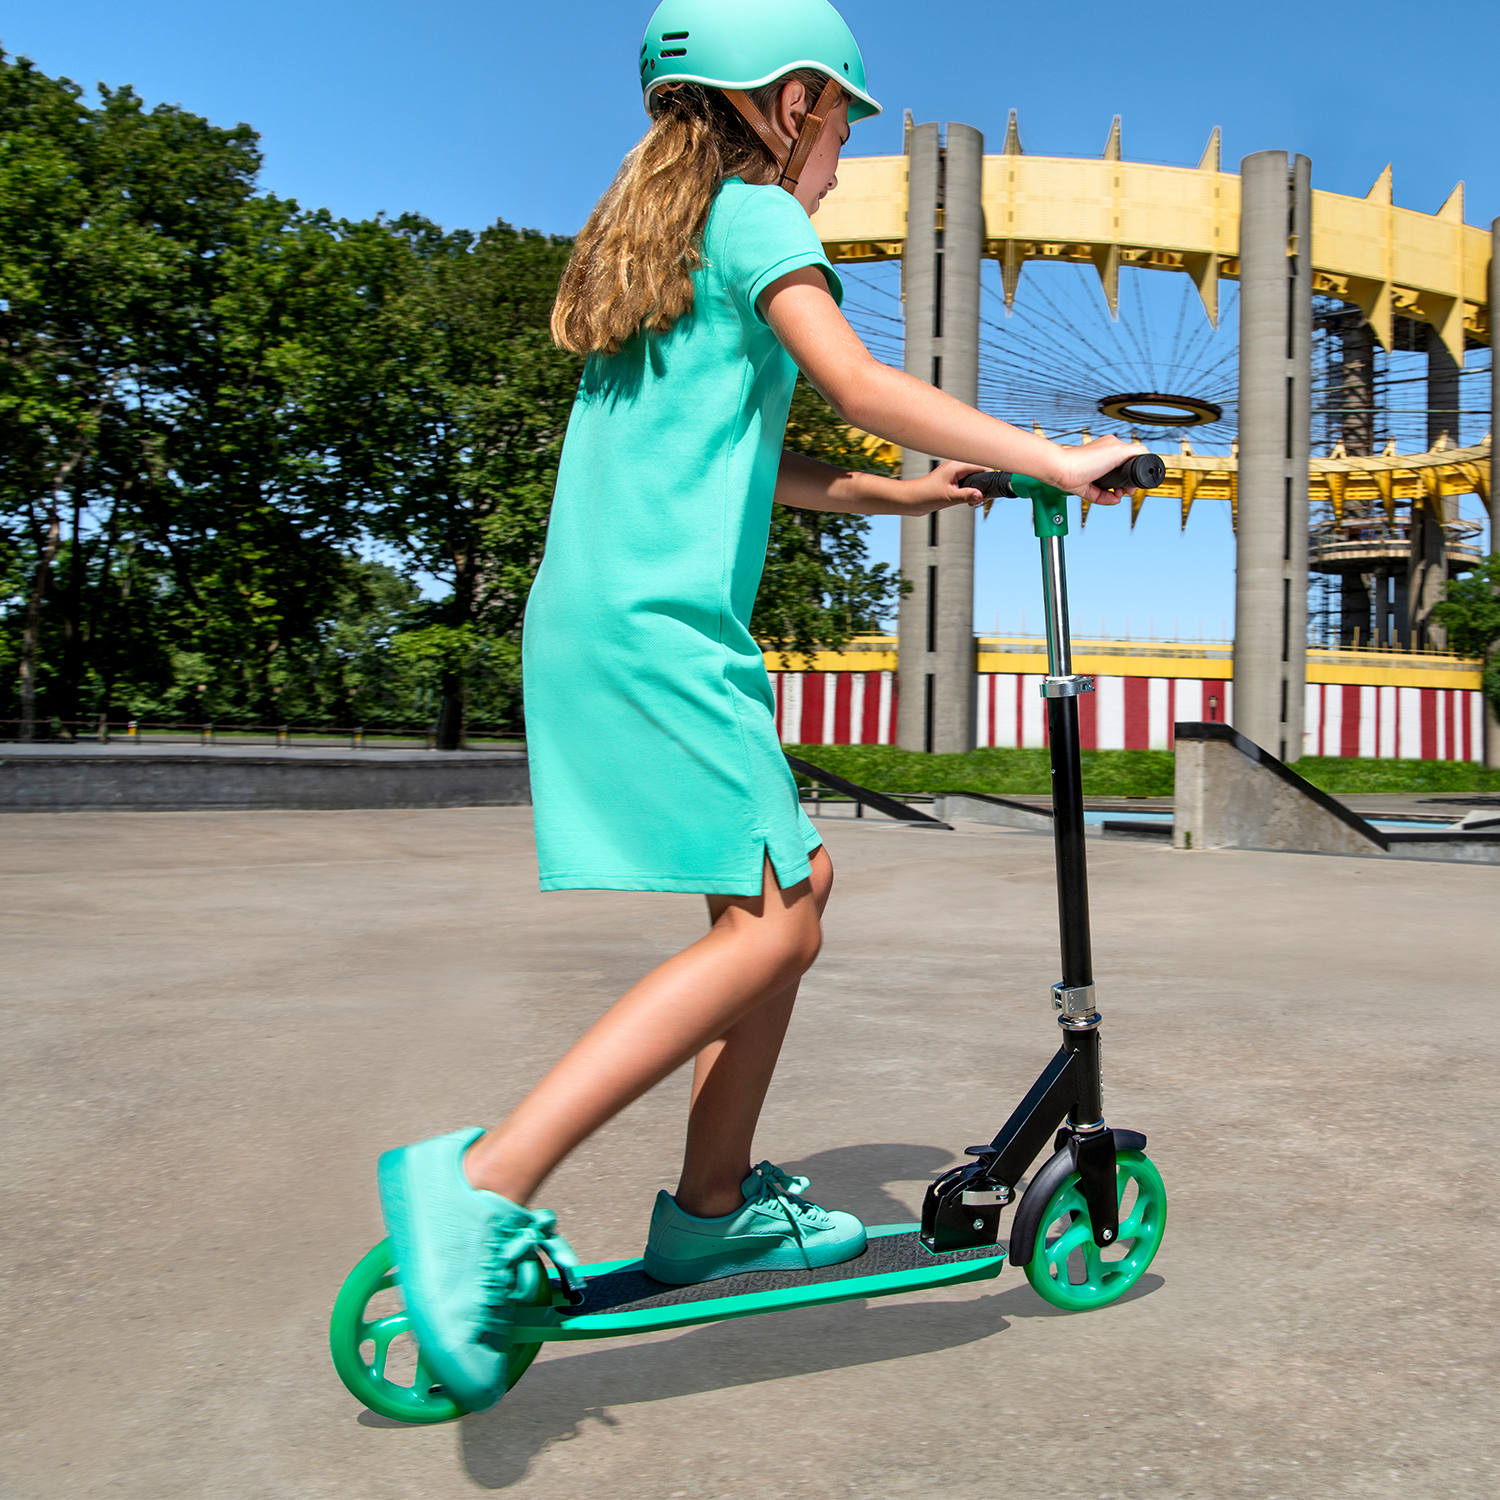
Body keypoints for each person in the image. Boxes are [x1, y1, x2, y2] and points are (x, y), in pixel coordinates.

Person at [375, 0, 1145, 1415]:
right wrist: (1052, 454)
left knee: (788, 893)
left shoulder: (662, 244)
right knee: (780, 917)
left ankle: (713, 1202)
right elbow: (856, 381)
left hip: (605, 616)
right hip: (665, 631)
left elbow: (754, 458)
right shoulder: (757, 219)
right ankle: (480, 1185)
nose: (845, 155)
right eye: (844, 119)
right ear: (788, 102)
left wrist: (910, 493)